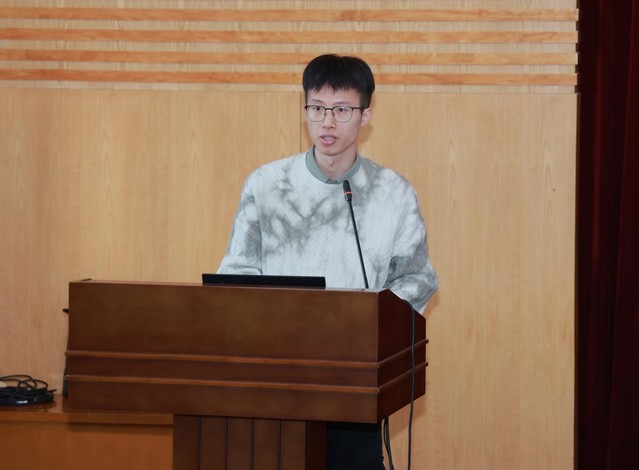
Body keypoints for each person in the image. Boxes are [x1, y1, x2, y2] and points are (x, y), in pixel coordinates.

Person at [218, 53, 438, 470]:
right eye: (317, 108)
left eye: (341, 110)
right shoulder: (267, 185)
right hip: (277, 381)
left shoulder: (393, 193)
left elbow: (416, 279)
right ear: (304, 110)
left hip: (354, 382)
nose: (327, 122)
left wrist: (367, 326)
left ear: (366, 115)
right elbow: (237, 275)